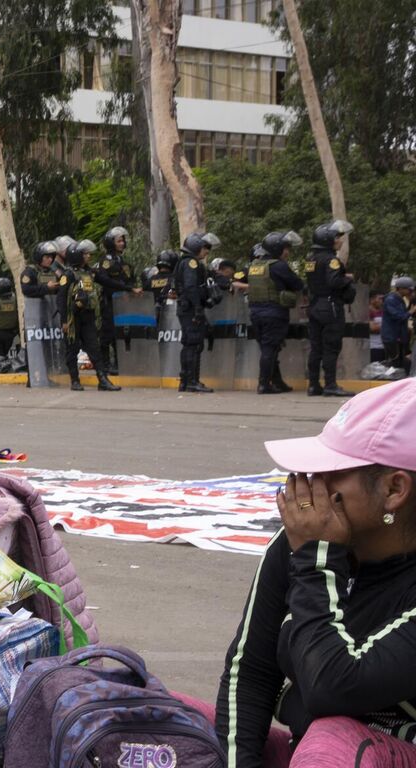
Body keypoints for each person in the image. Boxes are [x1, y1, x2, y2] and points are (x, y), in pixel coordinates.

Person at [210, 379, 416, 768]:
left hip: (374, 752)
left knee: (332, 738)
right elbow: (250, 673)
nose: (306, 482)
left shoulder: (311, 549)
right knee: (152, 719)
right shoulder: (300, 544)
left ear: (394, 489)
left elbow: (334, 686)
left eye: (330, 470)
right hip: (313, 752)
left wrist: (317, 561)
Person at [248, 232, 306, 395]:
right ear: (277, 249)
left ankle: (278, 382)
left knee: (269, 349)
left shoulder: (255, 265)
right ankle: (264, 384)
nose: (287, 252)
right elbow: (297, 284)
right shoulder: (278, 266)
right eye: (285, 249)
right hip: (274, 312)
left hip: (255, 312)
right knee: (270, 349)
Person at [305, 220, 357, 398]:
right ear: (329, 240)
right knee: (331, 348)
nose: (340, 240)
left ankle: (313, 385)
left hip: (314, 306)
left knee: (316, 348)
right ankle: (330, 385)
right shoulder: (332, 260)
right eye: (337, 237)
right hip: (330, 307)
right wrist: (348, 280)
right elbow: (334, 281)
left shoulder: (311, 259)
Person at [60, 242, 122, 391]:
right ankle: (75, 381)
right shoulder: (68, 274)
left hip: (88, 316)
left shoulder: (89, 273)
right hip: (73, 318)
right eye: (85, 254)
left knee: (94, 349)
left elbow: (107, 281)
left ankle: (103, 380)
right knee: (72, 350)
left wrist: (129, 288)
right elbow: (61, 299)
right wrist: (64, 321)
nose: (88, 256)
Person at [175, 232, 221, 394]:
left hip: (187, 308)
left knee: (190, 344)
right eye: (204, 249)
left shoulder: (186, 262)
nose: (206, 252)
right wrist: (198, 308)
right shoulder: (191, 263)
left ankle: (186, 381)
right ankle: (192, 381)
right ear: (196, 247)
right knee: (194, 345)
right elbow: (190, 287)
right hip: (190, 309)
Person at [96, 226, 134, 375]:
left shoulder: (124, 261)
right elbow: (104, 280)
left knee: (122, 334)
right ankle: (106, 365)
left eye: (123, 240)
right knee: (108, 334)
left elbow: (129, 279)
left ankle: (119, 363)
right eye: (119, 241)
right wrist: (124, 289)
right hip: (109, 302)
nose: (122, 243)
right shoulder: (106, 261)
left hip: (123, 303)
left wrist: (131, 290)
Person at [386, 277, 413, 373]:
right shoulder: (391, 299)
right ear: (400, 288)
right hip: (391, 336)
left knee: (403, 363)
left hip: (400, 336)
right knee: (395, 363)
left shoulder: (400, 299)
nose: (409, 291)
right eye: (408, 289)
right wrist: (410, 312)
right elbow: (397, 317)